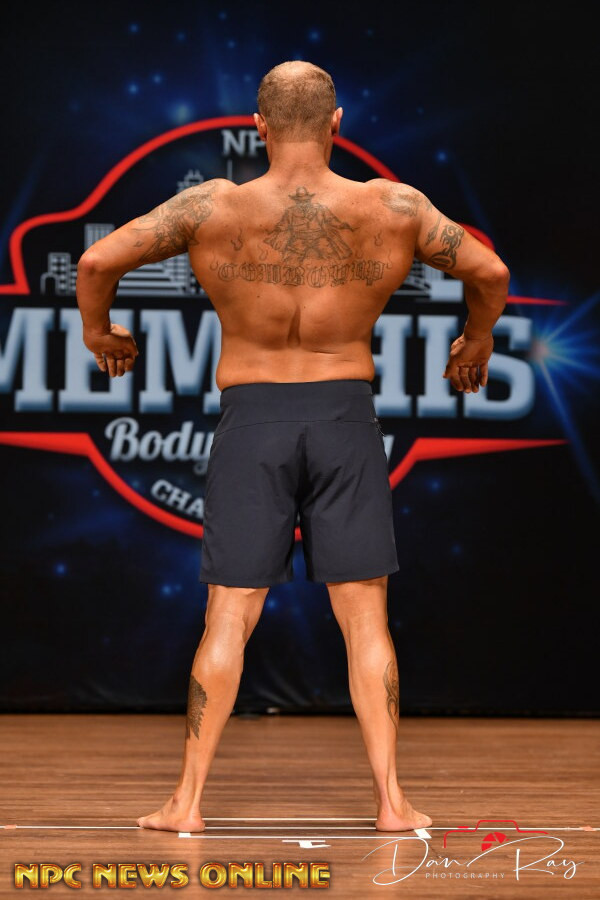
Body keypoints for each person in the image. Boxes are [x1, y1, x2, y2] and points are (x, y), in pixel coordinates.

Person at [76, 60, 509, 834]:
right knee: (366, 620)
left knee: (228, 617)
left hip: (254, 420)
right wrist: (475, 342)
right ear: (337, 123)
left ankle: (187, 804)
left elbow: (96, 261)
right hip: (346, 418)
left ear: (259, 127)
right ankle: (391, 803)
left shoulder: (212, 206)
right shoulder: (394, 206)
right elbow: (492, 271)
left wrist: (99, 334)